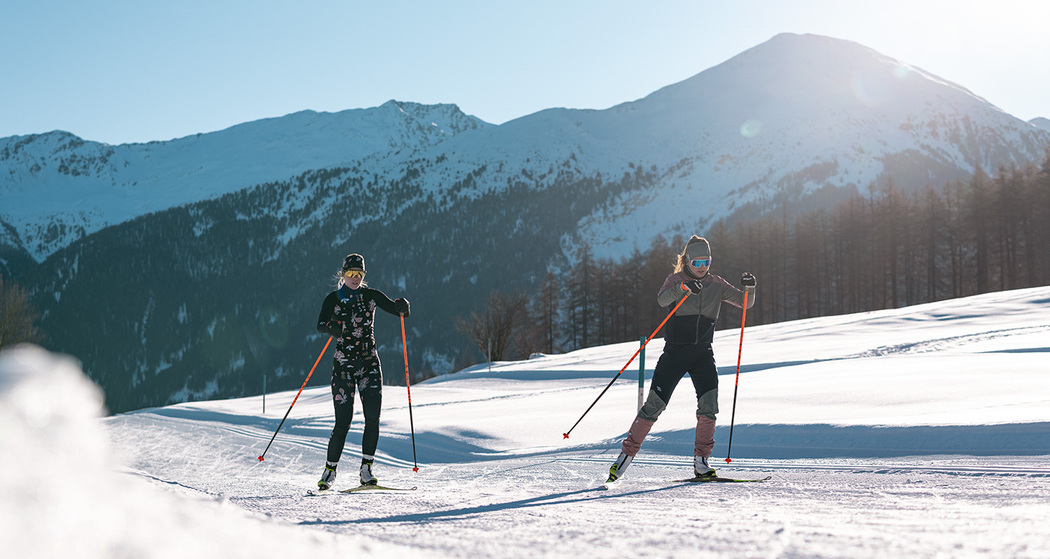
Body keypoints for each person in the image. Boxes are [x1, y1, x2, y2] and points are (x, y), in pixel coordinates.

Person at [607, 236, 756, 482]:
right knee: (654, 406)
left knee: (709, 408)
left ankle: (702, 462)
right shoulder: (676, 279)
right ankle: (625, 457)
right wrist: (684, 288)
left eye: (706, 261)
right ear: (687, 260)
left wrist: (750, 287)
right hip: (675, 354)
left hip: (703, 354)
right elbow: (662, 299)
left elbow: (745, 303)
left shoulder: (716, 284)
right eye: (697, 262)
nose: (702, 267)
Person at [315, 253, 410, 490]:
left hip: (369, 364)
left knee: (372, 419)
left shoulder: (371, 295)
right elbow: (320, 325)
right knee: (343, 422)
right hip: (343, 365)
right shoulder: (333, 299)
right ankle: (330, 471)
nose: (355, 278)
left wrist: (403, 307)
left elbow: (395, 308)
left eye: (360, 274)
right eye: (351, 274)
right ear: (343, 274)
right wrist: (331, 327)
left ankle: (366, 470)